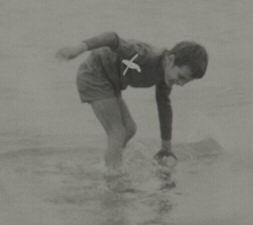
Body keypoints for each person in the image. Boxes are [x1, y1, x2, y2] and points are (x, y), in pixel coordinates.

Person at [56, 31, 208, 169]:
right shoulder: (146, 56)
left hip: (111, 82)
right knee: (117, 132)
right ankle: (113, 178)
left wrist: (166, 147)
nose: (181, 84)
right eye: (181, 77)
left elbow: (164, 106)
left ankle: (109, 164)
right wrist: (78, 49)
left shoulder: (166, 75)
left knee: (129, 129)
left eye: (186, 81)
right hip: (94, 74)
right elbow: (112, 38)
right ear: (170, 60)